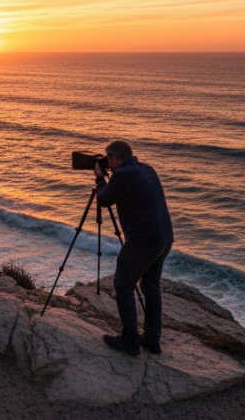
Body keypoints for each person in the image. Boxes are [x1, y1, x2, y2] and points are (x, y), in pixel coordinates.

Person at [95, 140, 173, 355]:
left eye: (108, 158)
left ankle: (130, 341)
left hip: (143, 240)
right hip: (164, 236)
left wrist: (100, 178)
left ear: (115, 158)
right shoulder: (147, 169)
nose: (107, 163)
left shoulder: (122, 175)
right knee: (151, 287)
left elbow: (104, 200)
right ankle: (152, 340)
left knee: (123, 283)